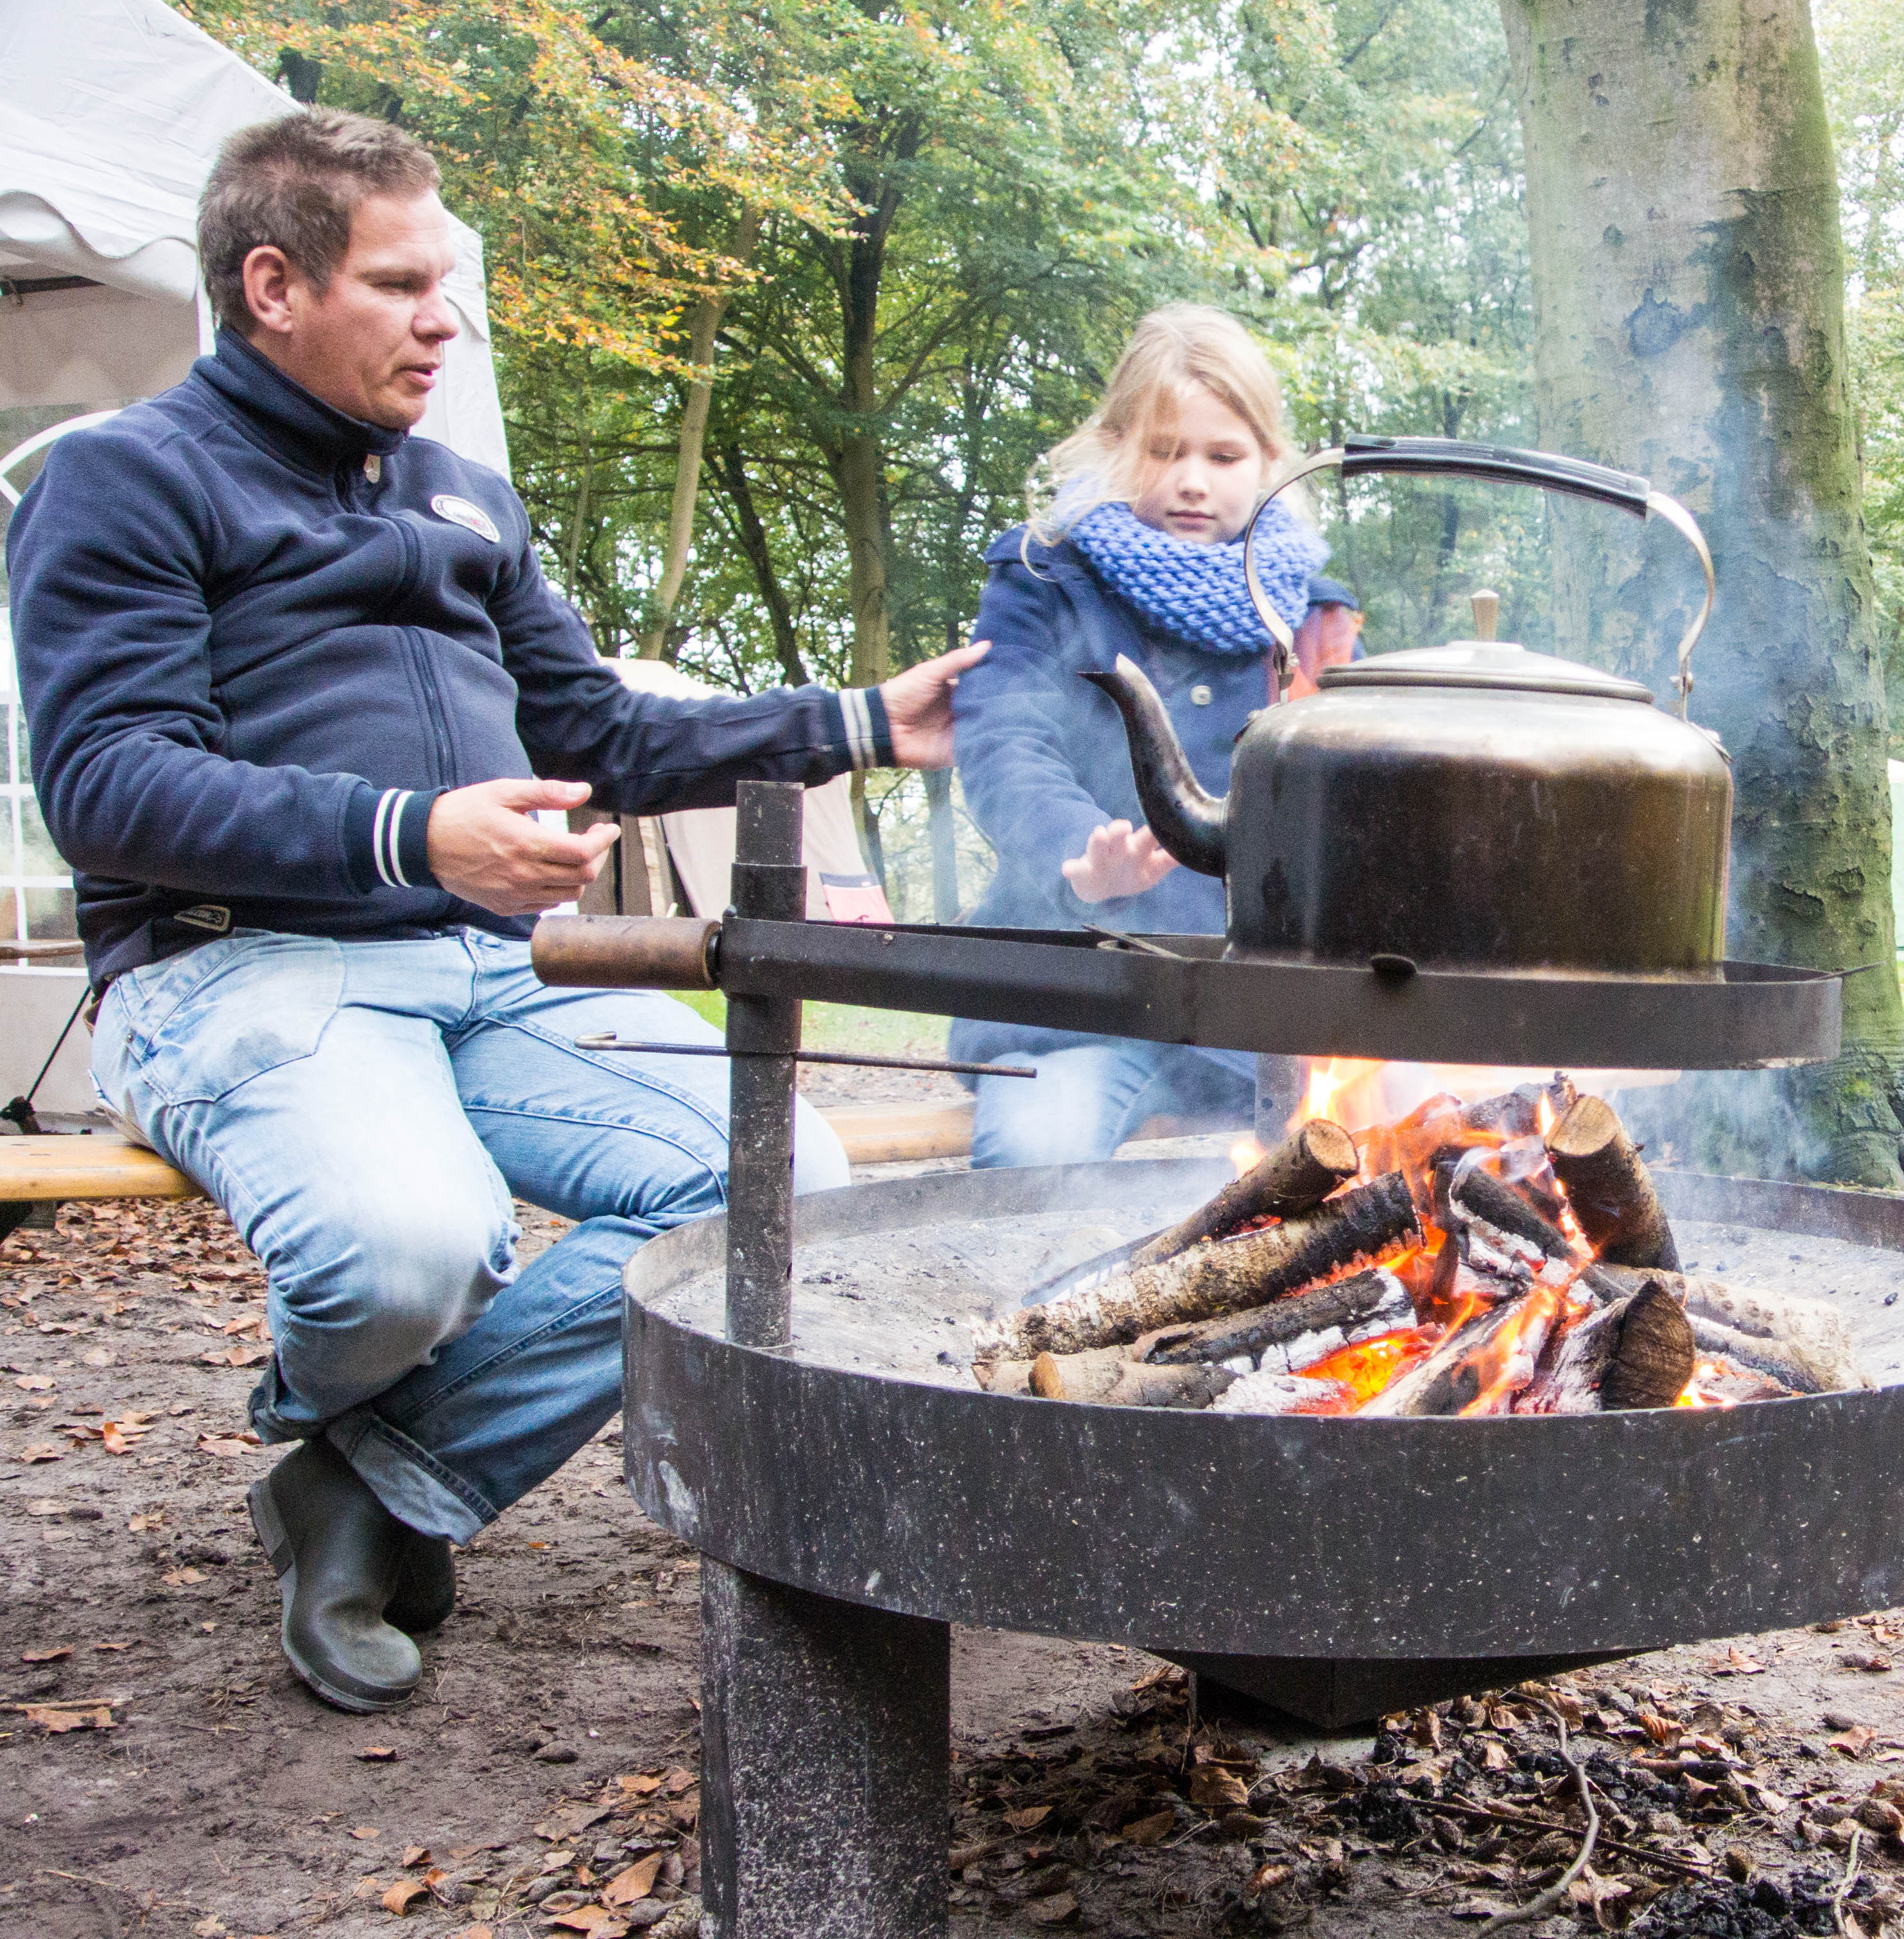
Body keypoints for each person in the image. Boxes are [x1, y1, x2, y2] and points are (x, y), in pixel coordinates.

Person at [1, 110, 985, 1714]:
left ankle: (371, 1477)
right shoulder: (126, 480)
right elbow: (109, 784)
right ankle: (381, 1455)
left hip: (497, 969)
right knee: (412, 1251)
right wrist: (413, 833)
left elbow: (601, 734)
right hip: (236, 965)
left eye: (443, 284)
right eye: (400, 285)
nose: (444, 321)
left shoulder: (466, 500)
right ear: (272, 285)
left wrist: (863, 721)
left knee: (775, 1178)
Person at [948, 306, 1351, 1163]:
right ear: (1114, 445)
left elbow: (1355, 788)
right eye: (1165, 451)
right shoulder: (1043, 573)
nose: (1192, 481)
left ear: (1269, 460)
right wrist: (1080, 856)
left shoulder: (1316, 616)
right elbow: (1003, 740)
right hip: (1077, 1002)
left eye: (1222, 456)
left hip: (1263, 1020)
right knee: (1033, 1162)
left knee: (1401, 1159)